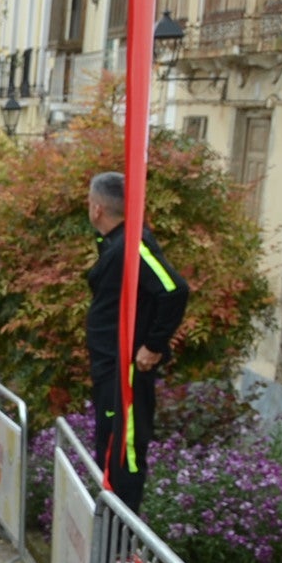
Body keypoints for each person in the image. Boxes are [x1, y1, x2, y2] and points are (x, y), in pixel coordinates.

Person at [86, 170, 189, 510]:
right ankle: (109, 525)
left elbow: (174, 289)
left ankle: (122, 537)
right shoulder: (116, 244)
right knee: (109, 447)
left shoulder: (133, 245)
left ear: (97, 208)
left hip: (126, 369)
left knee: (125, 452)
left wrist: (153, 345)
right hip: (109, 367)